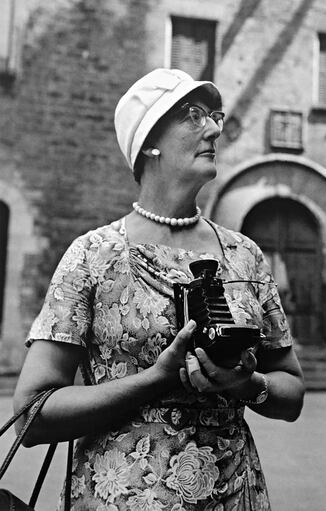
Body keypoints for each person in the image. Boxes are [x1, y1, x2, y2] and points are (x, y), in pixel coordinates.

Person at [13, 68, 305, 510]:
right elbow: (31, 415)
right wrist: (154, 379)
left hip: (233, 495)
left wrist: (246, 384)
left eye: (214, 116)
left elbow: (292, 392)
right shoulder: (93, 255)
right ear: (149, 142)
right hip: (121, 499)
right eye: (193, 115)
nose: (213, 128)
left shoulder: (245, 254)